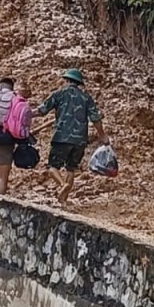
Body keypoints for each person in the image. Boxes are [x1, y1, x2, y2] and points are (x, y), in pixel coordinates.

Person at [36, 68, 107, 205]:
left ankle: (62, 185)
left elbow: (41, 111)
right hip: (80, 140)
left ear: (66, 80)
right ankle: (63, 200)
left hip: (61, 138)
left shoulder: (59, 94)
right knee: (71, 168)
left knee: (52, 167)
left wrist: (23, 113)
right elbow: (95, 118)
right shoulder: (86, 98)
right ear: (79, 83)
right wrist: (102, 135)